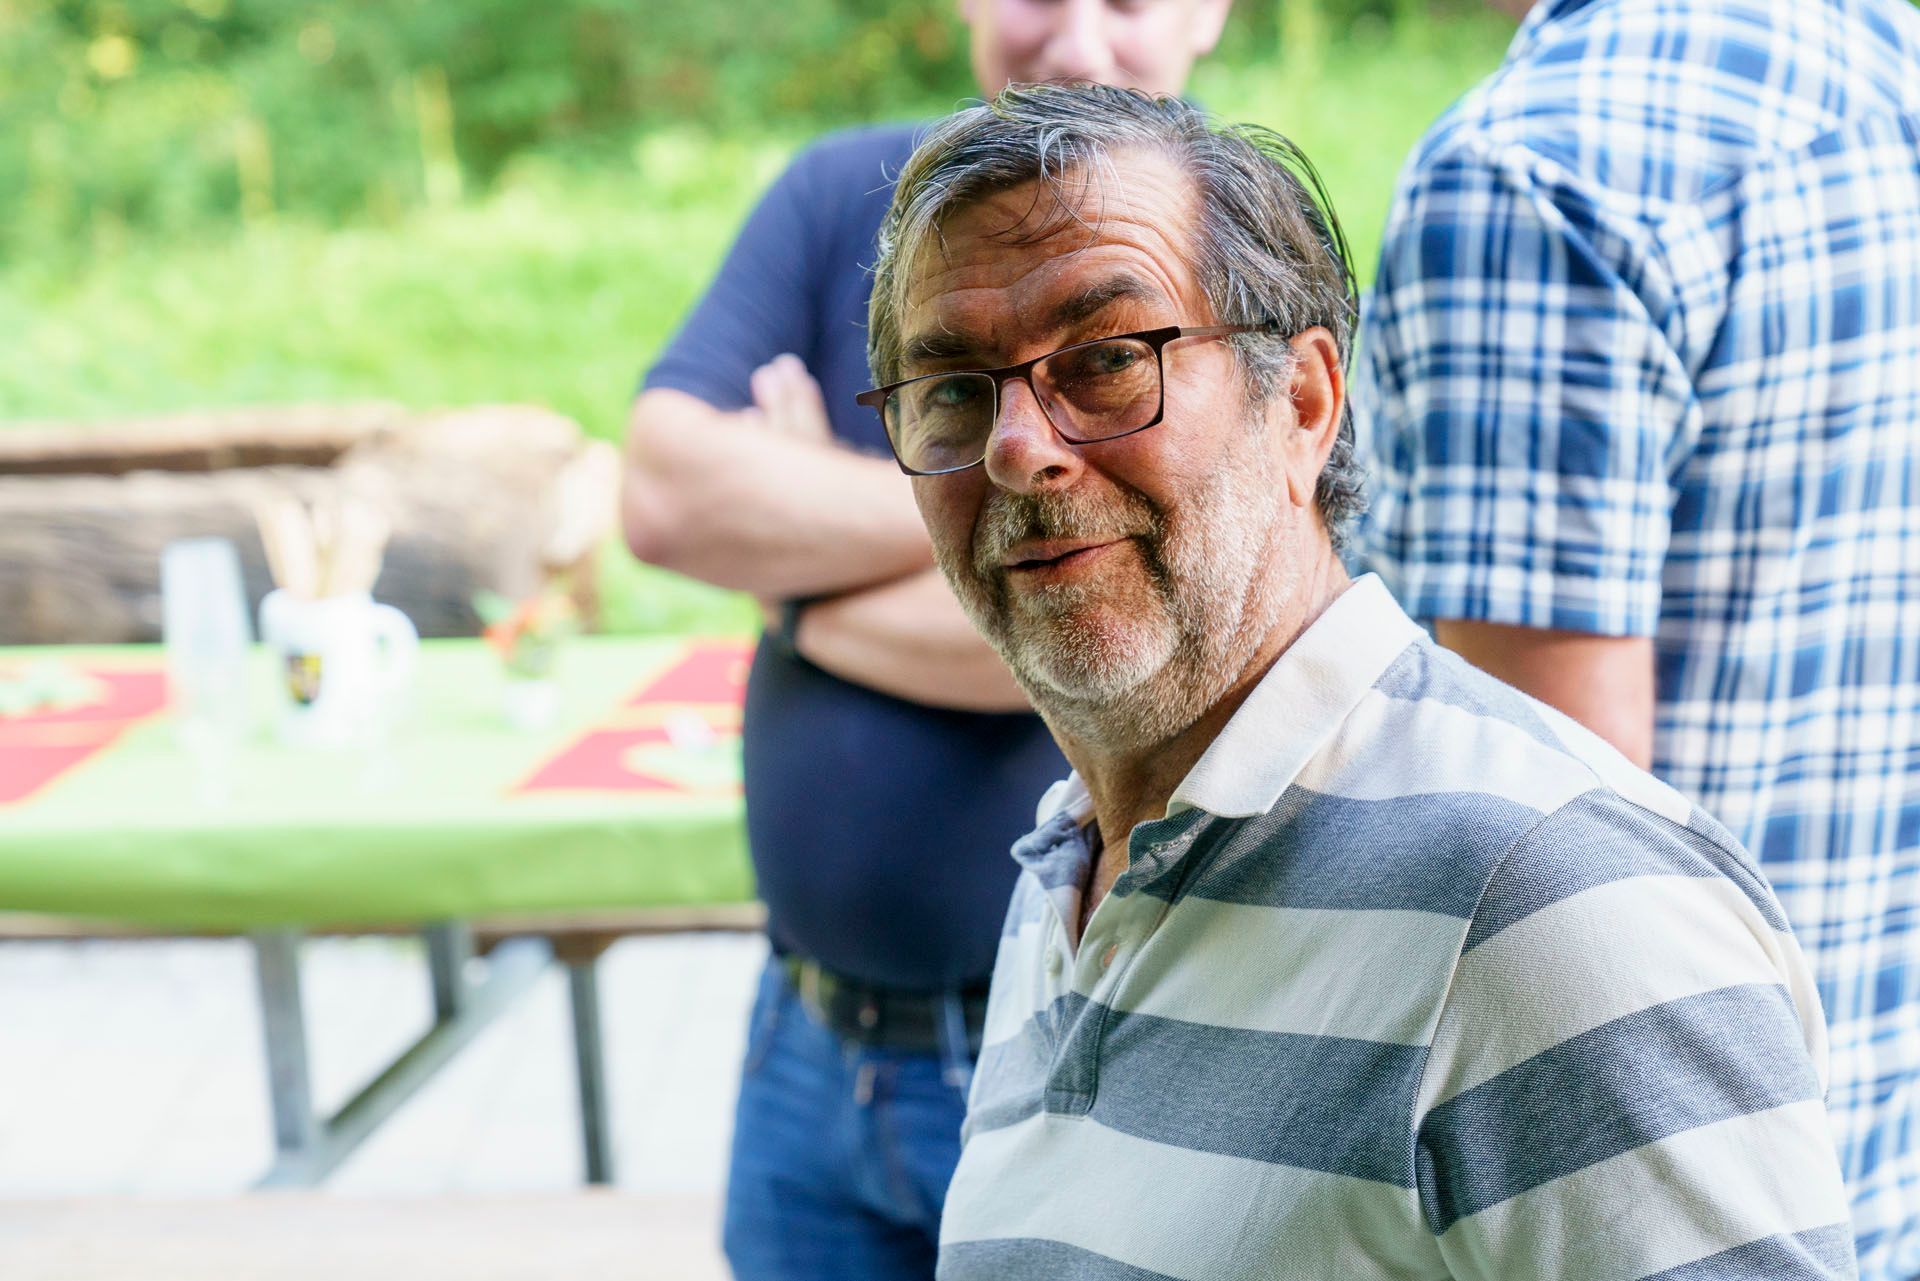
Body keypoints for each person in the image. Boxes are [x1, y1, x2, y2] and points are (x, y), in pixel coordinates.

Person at [860, 82, 1855, 1279]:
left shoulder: (1553, 909)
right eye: (957, 389)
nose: (1019, 444)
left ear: (1305, 404)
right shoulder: (1077, 865)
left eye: (1109, 359)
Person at [622, 3, 1231, 1276]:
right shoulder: (845, 193)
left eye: (1122, 1)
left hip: (1069, 1038)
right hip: (803, 1039)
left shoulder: (1229, 254)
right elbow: (666, 496)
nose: (1071, 37)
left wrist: (793, 577)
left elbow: (1117, 650)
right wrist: (1033, 535)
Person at [1350, 1, 1920, 1273]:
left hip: (1629, 1205)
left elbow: (1541, 892)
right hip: (1866, 1181)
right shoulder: (1885, 74)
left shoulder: (1540, 170)